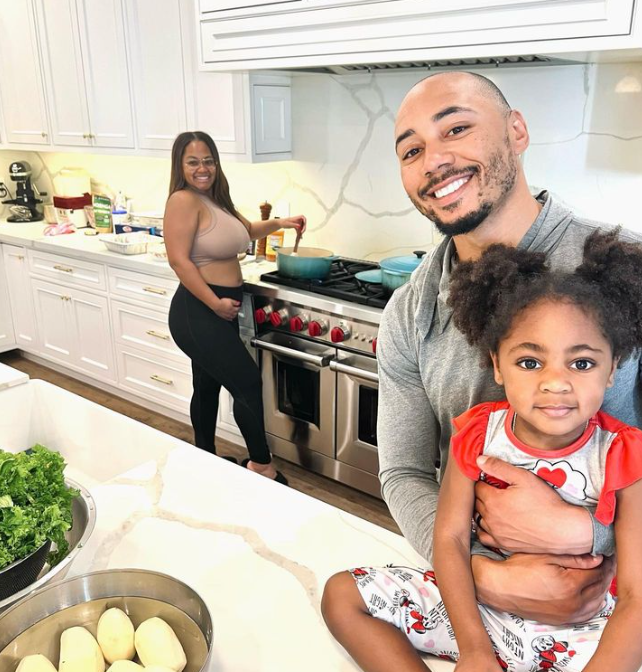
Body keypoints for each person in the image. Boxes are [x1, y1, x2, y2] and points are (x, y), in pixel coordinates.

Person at [375, 71, 642, 624]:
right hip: (475, 607)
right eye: (412, 150)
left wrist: (593, 533)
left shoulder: (628, 273)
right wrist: (480, 573)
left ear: (516, 130)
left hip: (615, 614)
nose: (434, 161)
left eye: (457, 129)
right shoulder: (410, 309)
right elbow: (403, 472)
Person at [321, 229, 642, 671]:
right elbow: (450, 539)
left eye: (582, 362)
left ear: (612, 370)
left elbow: (637, 598)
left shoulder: (625, 454)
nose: (555, 382)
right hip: (473, 609)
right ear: (497, 364)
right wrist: (473, 649)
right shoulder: (475, 434)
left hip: (576, 629)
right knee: (342, 595)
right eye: (530, 362)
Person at [165, 131, 306, 484]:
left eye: (208, 160)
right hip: (198, 309)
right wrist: (214, 303)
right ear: (180, 166)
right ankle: (261, 464)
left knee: (208, 385)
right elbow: (179, 261)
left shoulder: (216, 199)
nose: (203, 168)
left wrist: (280, 223)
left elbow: (245, 232)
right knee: (247, 382)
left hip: (218, 308)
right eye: (193, 161)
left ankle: (203, 457)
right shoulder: (183, 200)